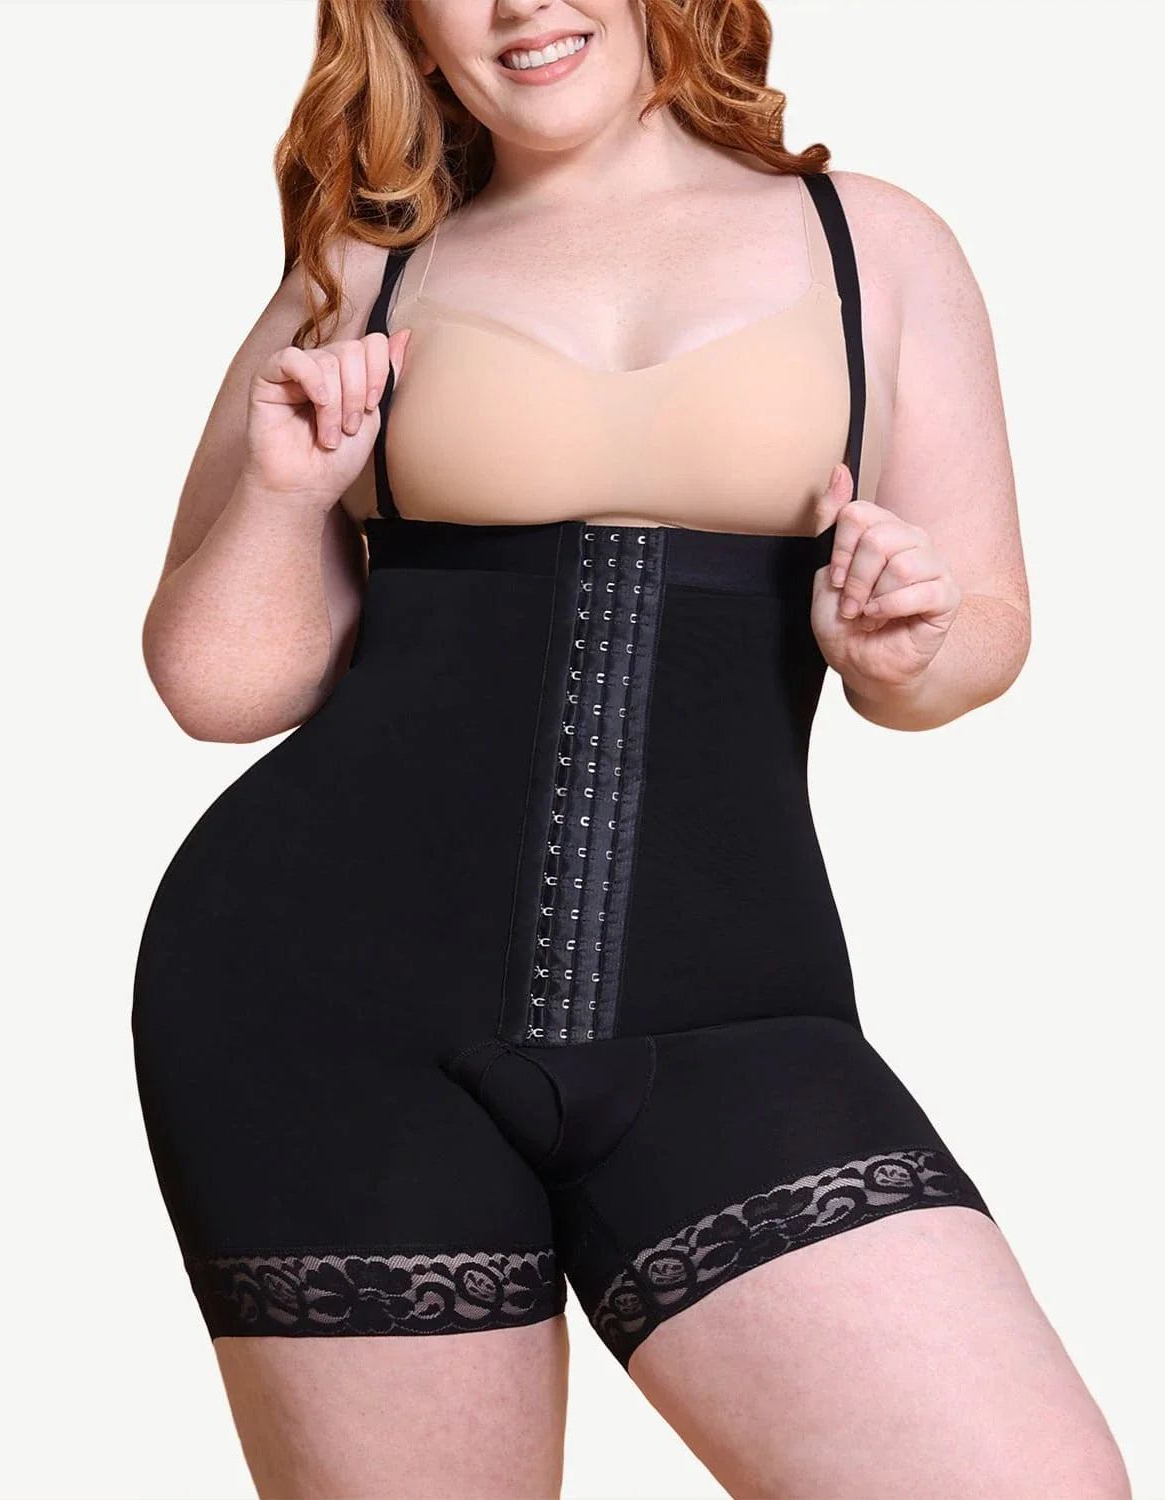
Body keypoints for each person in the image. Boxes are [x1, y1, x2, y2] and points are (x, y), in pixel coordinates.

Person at [131, 2, 1132, 1496]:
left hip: (732, 1008)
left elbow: (977, 628)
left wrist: (907, 643)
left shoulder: (874, 242)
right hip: (326, 1008)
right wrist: (286, 492)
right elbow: (217, 687)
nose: (522, 5)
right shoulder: (366, 263)